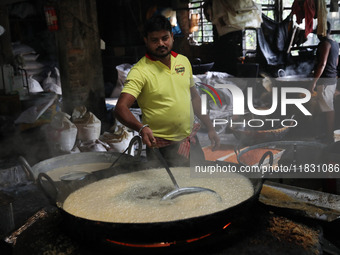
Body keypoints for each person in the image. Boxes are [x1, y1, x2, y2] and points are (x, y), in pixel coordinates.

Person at [114, 15, 220, 166]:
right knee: (168, 188)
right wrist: (141, 128)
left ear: (172, 37)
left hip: (190, 141)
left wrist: (210, 128)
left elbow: (194, 98)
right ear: (146, 40)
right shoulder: (140, 71)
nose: (161, 44)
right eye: (154, 40)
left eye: (165, 38)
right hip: (161, 148)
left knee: (200, 183)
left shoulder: (183, 61)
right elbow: (120, 108)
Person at [309, 21, 339, 143]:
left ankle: (329, 136)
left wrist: (313, 82)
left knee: (328, 109)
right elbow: (335, 63)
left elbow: (322, 64)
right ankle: (327, 134)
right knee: (327, 108)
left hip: (325, 80)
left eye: (318, 29)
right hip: (332, 79)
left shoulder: (324, 44)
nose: (317, 32)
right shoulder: (335, 44)